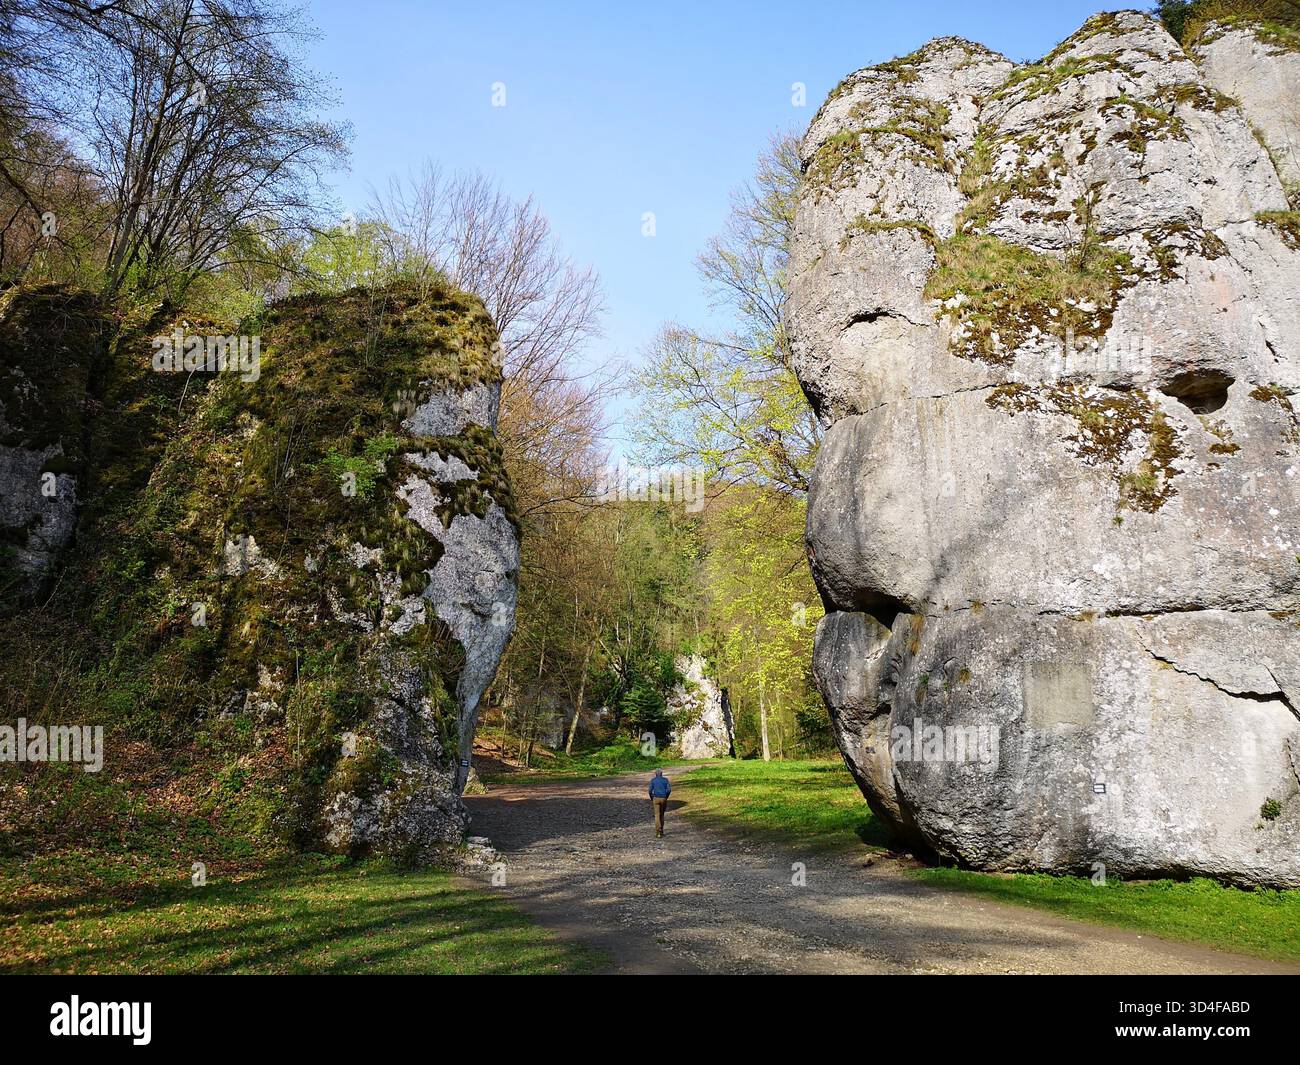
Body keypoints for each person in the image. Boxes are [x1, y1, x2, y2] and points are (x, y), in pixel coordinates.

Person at [648, 769, 671, 838]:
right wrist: (666, 797)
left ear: (655, 774)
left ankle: (658, 833)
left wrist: (651, 798)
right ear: (661, 774)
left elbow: (650, 790)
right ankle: (662, 831)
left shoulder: (653, 780)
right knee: (662, 815)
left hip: (656, 798)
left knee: (657, 815)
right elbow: (669, 790)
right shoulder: (665, 780)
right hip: (663, 798)